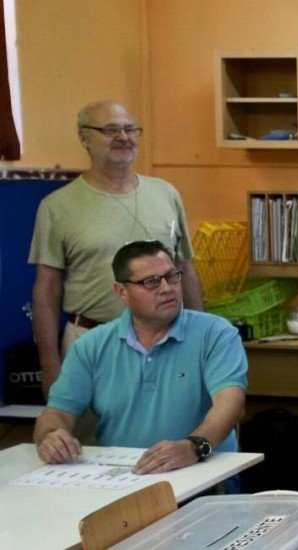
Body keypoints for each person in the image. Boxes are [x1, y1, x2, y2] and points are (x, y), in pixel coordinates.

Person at [29, 100, 203, 396]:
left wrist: (201, 340)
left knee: (167, 438)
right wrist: (50, 365)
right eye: (111, 130)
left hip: (168, 341)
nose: (123, 137)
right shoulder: (57, 207)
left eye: (130, 129)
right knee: (88, 439)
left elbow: (185, 269)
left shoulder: (165, 193)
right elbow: (46, 290)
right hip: (92, 341)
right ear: (84, 137)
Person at [33, 240, 246, 475]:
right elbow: (57, 414)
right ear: (121, 292)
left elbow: (231, 403)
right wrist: (50, 438)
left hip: (204, 471)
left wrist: (194, 447)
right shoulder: (91, 345)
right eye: (151, 282)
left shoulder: (215, 333)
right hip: (125, 475)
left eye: (172, 276)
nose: (166, 288)